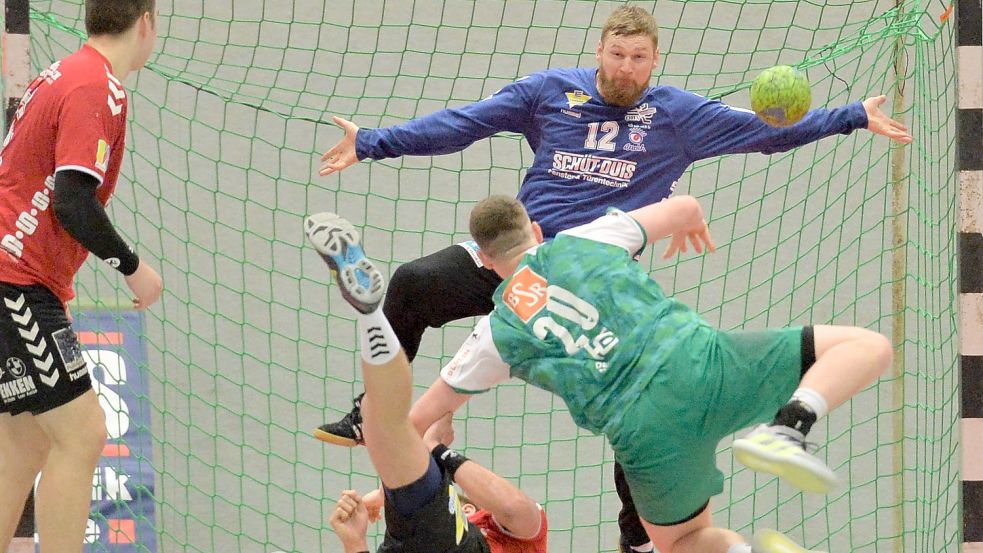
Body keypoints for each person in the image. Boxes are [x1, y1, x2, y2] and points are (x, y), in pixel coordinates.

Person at [314, 5, 911, 550]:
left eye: (639, 57)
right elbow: (466, 123)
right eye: (617, 54)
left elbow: (764, 135)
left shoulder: (679, 116)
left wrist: (852, 117)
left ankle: (641, 539)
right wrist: (372, 143)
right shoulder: (549, 92)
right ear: (599, 52)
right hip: (520, 253)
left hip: (588, 268)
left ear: (654, 61)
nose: (626, 67)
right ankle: (371, 413)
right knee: (415, 282)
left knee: (630, 418)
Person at [404, 194, 891, 553]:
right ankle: (791, 424)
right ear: (535, 228)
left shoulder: (494, 334)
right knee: (866, 346)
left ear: (485, 259)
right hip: (700, 361)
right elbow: (684, 206)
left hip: (645, 432)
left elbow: (415, 420)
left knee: (682, 542)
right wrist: (691, 222)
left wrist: (434, 439)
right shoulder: (582, 239)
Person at [0, 2, 163, 552]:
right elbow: (73, 201)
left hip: (20, 279)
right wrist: (134, 269)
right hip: (14, 279)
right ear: (147, 21)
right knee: (84, 434)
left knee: (25, 445)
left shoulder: (66, 72)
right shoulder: (98, 87)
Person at [305, 212, 547, 553]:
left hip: (405, 541)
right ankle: (370, 318)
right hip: (450, 540)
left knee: (385, 426)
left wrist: (355, 541)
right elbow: (514, 509)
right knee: (386, 426)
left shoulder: (437, 514)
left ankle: (370, 319)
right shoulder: (512, 536)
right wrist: (437, 451)